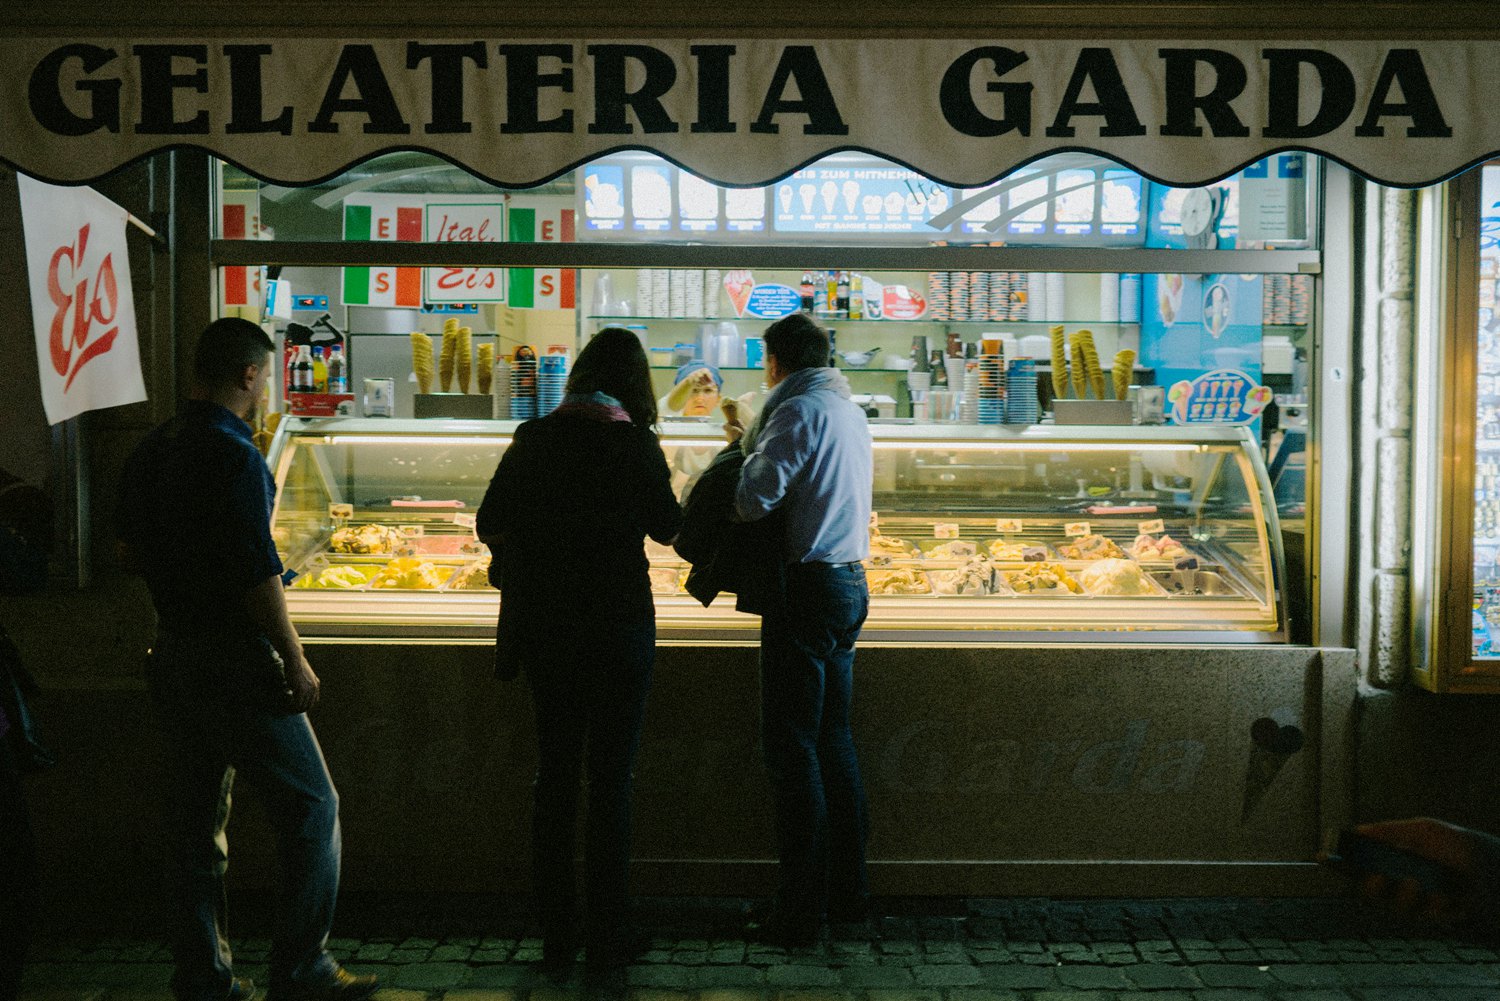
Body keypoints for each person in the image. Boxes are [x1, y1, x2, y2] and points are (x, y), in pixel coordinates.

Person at [116, 318, 376, 1001]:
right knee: (313, 805)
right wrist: (293, 658)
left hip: (173, 651)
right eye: (263, 380)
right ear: (250, 375)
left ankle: (202, 975)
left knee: (195, 824)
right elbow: (258, 572)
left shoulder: (153, 447)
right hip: (235, 659)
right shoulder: (233, 453)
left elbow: (126, 550)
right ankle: (302, 964)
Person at [477, 326, 682, 986]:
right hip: (619, 626)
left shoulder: (535, 437)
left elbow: (488, 521)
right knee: (611, 782)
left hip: (548, 629)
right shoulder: (634, 442)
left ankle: (557, 930)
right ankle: (608, 932)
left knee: (557, 774)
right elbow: (669, 528)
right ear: (637, 382)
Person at [723, 313, 873, 947]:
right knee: (833, 742)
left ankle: (799, 908)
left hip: (807, 590)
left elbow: (752, 499)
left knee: (792, 749)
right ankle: (846, 897)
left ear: (775, 360)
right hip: (847, 583)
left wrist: (739, 442)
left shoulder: (798, 411)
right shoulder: (848, 409)